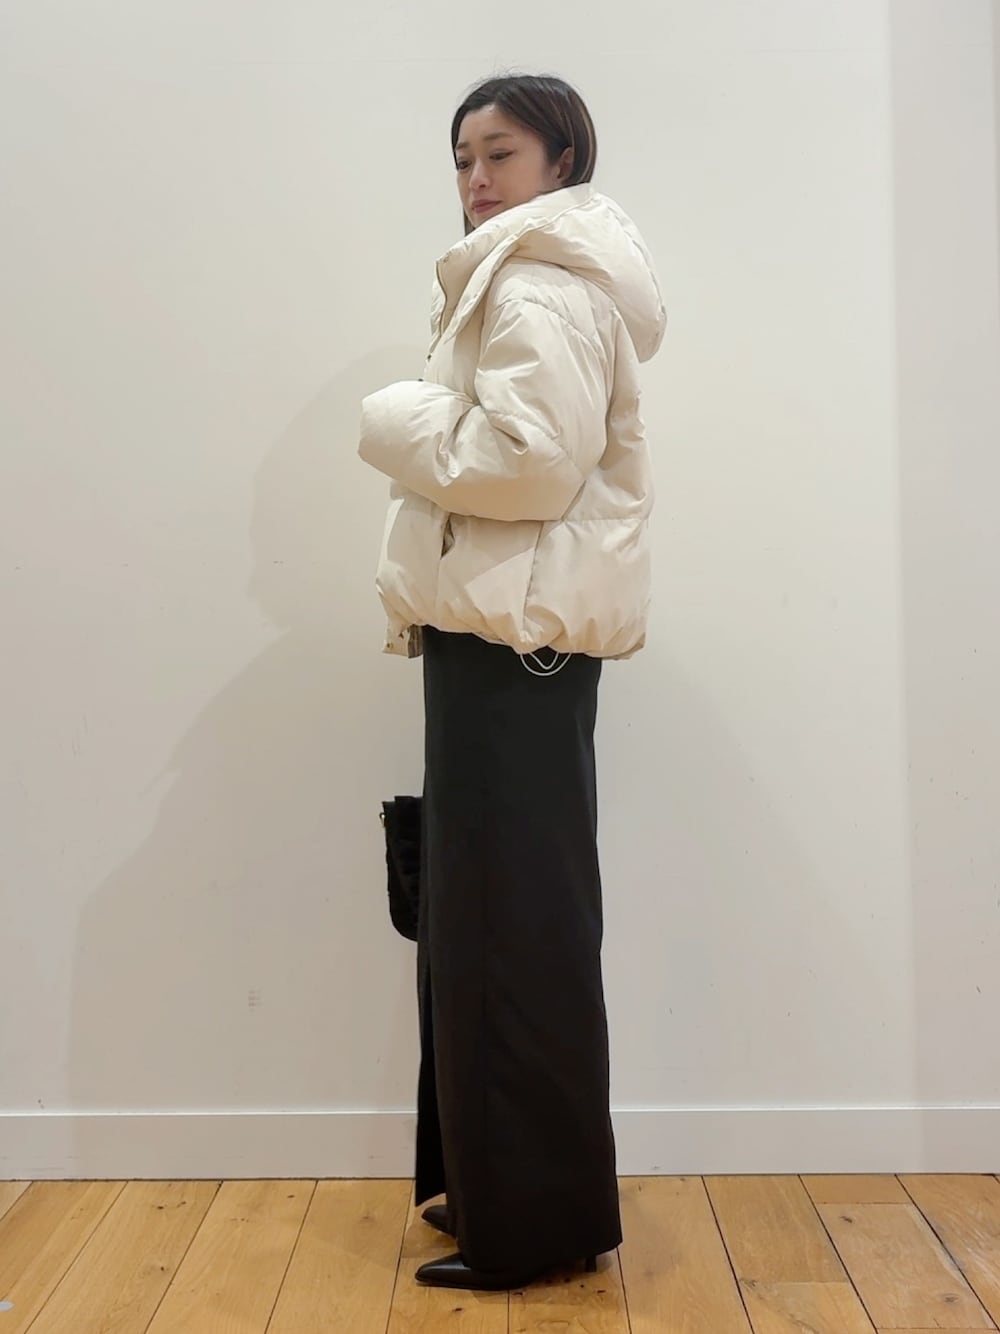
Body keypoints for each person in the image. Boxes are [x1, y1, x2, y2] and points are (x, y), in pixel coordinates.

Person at [358, 72, 665, 1292]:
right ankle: (514, 1196)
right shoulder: (530, 272)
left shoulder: (538, 279)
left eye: (500, 153)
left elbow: (530, 463)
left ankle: (527, 1227)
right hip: (504, 635)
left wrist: (395, 420)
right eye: (462, 158)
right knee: (492, 919)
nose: (476, 178)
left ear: (561, 160)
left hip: (510, 643)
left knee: (507, 928)